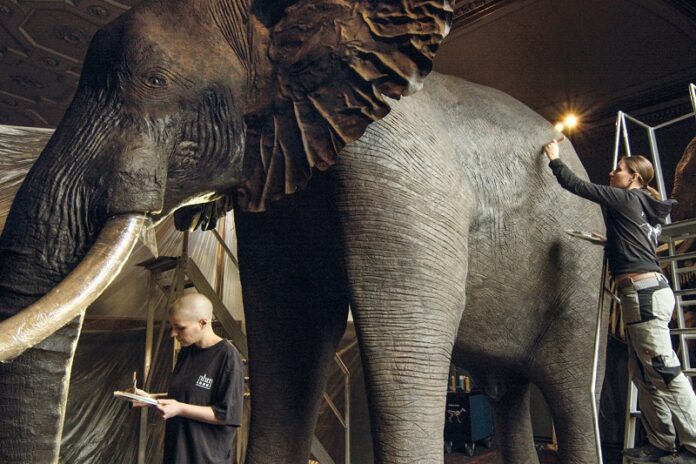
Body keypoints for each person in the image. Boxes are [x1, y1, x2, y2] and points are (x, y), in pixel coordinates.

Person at [544, 139, 696, 464]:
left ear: (634, 178)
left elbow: (576, 185)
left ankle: (694, 444)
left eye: (620, 170)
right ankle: (662, 441)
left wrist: (554, 159)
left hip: (642, 295)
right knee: (642, 372)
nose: (613, 172)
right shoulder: (644, 206)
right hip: (648, 292)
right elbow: (638, 245)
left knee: (663, 370)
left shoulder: (625, 198)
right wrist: (611, 241)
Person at [135, 293, 244, 463]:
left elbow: (227, 414)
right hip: (178, 455)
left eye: (180, 327)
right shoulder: (186, 352)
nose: (173, 333)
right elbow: (186, 397)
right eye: (172, 327)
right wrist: (150, 399)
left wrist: (180, 409)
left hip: (204, 458)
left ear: (202, 322)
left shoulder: (227, 356)